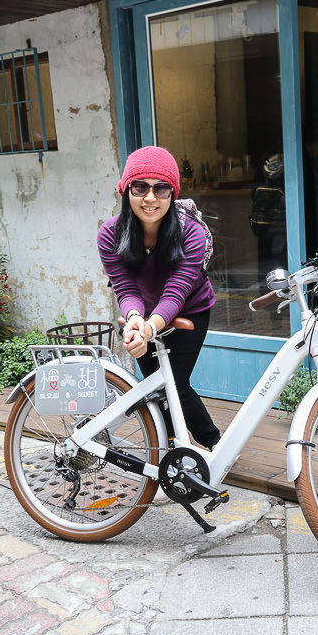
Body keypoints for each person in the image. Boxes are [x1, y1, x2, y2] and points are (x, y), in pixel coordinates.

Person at [97, 146, 221, 450]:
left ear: (172, 193)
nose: (150, 198)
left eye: (161, 188)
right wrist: (135, 320)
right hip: (142, 313)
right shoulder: (109, 235)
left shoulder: (191, 233)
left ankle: (214, 442)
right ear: (126, 190)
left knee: (175, 384)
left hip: (191, 310)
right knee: (156, 387)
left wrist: (149, 328)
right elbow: (125, 288)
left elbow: (177, 290)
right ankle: (168, 448)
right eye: (140, 187)